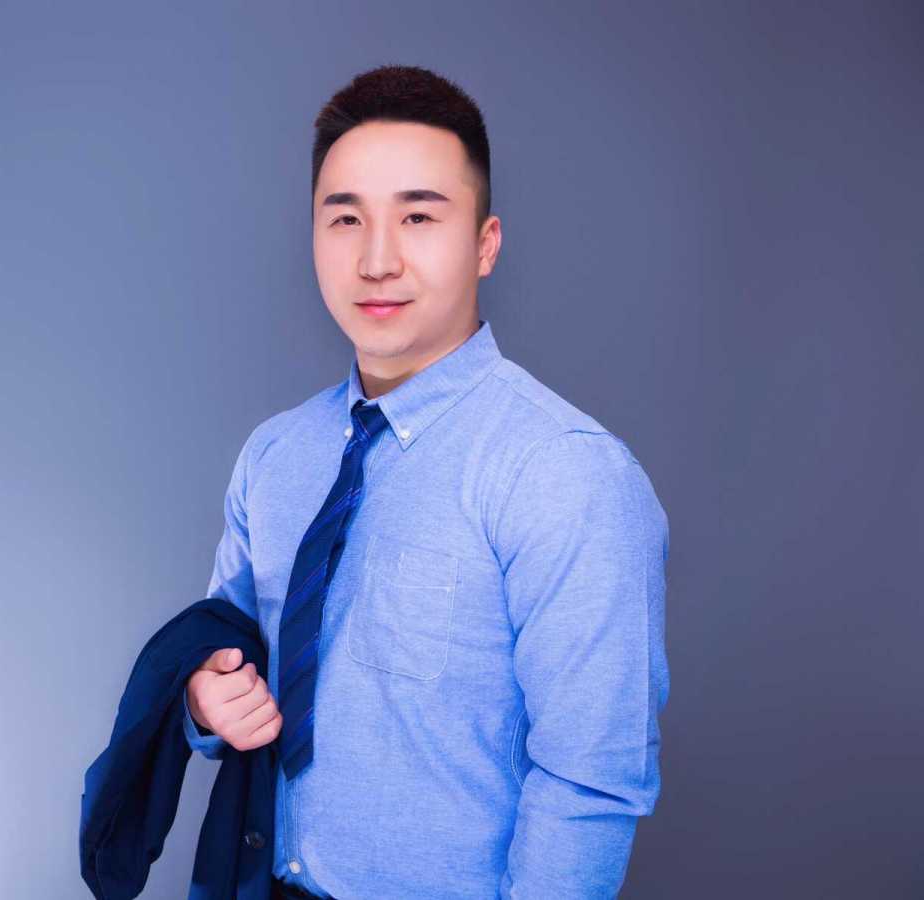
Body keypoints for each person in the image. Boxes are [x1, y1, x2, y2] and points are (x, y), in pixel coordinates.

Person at [181, 64, 669, 899]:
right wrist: (204, 703)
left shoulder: (566, 472)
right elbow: (221, 655)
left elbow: (592, 783)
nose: (377, 260)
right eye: (346, 218)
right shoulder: (275, 455)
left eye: (418, 216)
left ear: (485, 244)